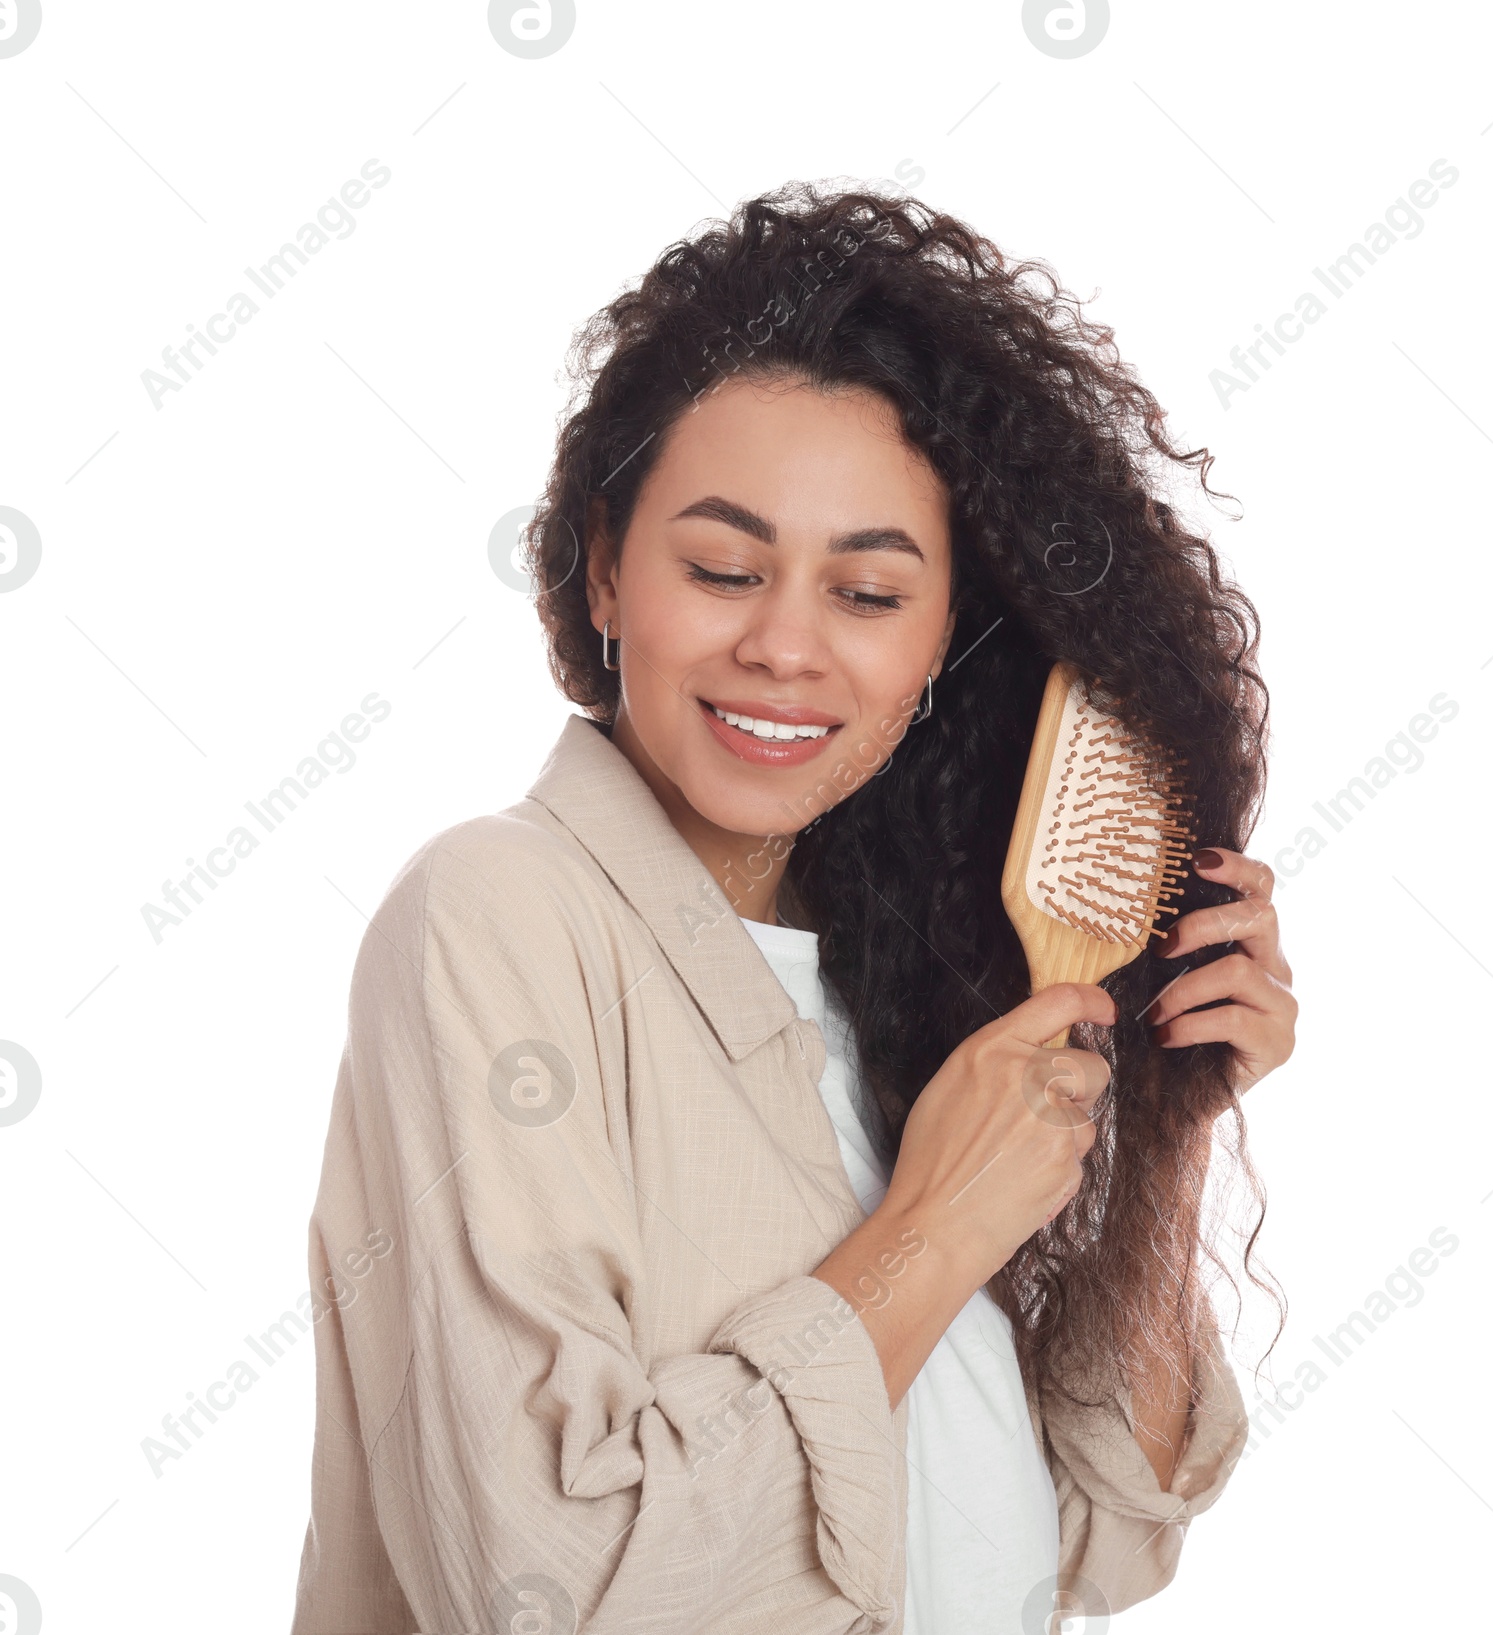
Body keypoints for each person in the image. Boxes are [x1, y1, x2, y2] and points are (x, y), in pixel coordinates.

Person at [290, 182, 1296, 1635]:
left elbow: (1098, 1542)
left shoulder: (912, 978)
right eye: (722, 568)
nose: (783, 647)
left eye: (870, 595)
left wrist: (1168, 1122)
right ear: (602, 575)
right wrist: (935, 1227)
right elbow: (551, 1597)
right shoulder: (495, 918)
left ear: (949, 634)